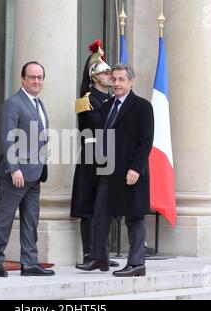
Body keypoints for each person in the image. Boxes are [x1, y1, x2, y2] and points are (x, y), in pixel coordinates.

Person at [76, 64, 154, 277]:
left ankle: (137, 263)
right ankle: (99, 258)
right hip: (107, 171)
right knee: (100, 214)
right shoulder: (107, 105)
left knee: (133, 217)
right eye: (114, 79)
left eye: (121, 79)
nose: (117, 83)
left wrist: (136, 168)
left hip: (130, 172)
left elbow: (146, 141)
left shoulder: (142, 106)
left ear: (131, 82)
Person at [0, 61, 54, 277]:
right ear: (23, 79)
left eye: (40, 77)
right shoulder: (13, 103)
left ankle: (29, 263)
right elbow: (7, 137)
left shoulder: (39, 104)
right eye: (32, 77)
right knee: (5, 218)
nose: (37, 81)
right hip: (15, 175)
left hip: (35, 173)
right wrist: (13, 168)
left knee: (31, 220)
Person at [71, 40, 118, 268]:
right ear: (94, 76)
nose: (110, 76)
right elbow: (96, 128)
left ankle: (103, 254)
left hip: (109, 158)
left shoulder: (112, 100)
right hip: (92, 158)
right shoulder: (86, 100)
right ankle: (89, 253)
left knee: (106, 207)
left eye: (110, 72)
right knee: (88, 207)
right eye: (106, 72)